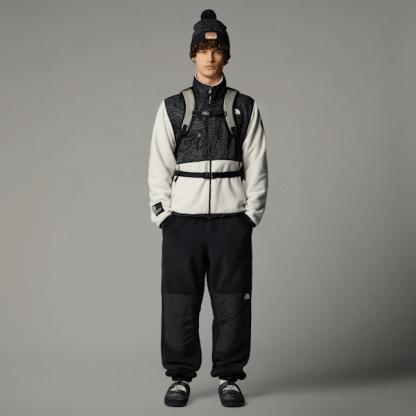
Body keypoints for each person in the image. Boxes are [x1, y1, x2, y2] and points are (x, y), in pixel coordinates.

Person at [148, 9, 268, 407]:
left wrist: (250, 216)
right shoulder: (174, 107)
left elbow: (257, 165)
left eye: (216, 50)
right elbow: (158, 166)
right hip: (182, 224)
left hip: (232, 224)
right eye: (202, 49)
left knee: (232, 303)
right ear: (193, 54)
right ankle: (180, 378)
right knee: (179, 302)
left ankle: (230, 378)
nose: (210, 57)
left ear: (226, 55)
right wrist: (163, 216)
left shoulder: (244, 106)